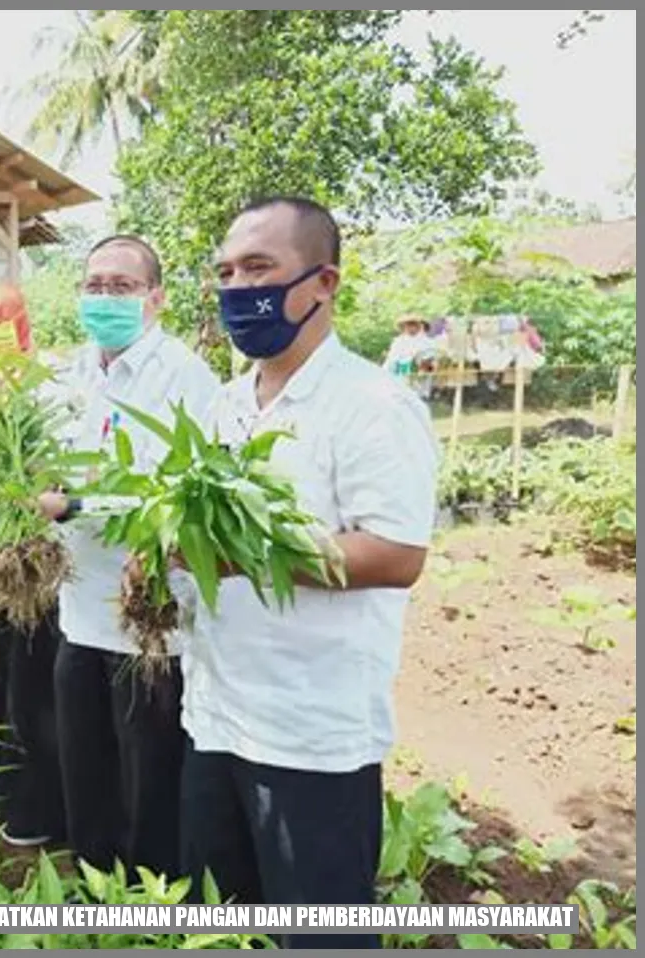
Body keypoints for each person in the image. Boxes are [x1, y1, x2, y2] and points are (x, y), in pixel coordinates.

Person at [180, 197, 438, 948]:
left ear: (324, 282)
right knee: (224, 928)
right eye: (226, 272)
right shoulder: (227, 405)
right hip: (216, 715)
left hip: (309, 736)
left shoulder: (370, 405)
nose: (237, 288)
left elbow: (395, 553)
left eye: (259, 268)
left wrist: (232, 555)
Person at [35, 235, 221, 880]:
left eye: (121, 286)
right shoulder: (67, 374)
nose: (104, 297)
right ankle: (93, 882)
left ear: (155, 299)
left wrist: (79, 505)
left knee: (148, 761)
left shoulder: (185, 376)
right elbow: (41, 464)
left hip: (149, 616)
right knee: (83, 755)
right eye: (94, 286)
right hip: (78, 601)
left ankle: (152, 896)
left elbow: (184, 492)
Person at [0, 281, 68, 846]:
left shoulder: (46, 389)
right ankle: (4, 796)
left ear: (17, 321)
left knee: (34, 690)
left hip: (37, 573)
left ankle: (42, 811)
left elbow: (58, 474)